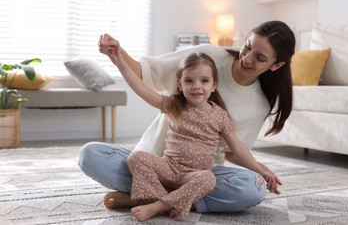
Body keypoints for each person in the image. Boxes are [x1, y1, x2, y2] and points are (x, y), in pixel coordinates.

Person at [78, 20, 295, 214]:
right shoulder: (202, 62)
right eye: (247, 46)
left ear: (276, 65)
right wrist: (118, 55)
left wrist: (262, 171)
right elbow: (145, 78)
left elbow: (235, 150)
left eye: (260, 58)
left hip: (199, 175)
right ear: (180, 84)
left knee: (253, 188)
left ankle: (151, 198)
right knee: (90, 154)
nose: (247, 58)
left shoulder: (246, 108)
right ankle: (176, 198)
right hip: (156, 163)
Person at [108, 51, 275, 221]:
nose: (196, 86)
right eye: (189, 81)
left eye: (204, 81)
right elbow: (141, 89)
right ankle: (165, 200)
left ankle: (158, 206)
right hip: (168, 167)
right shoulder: (174, 106)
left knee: (208, 178)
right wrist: (120, 62)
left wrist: (261, 170)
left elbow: (238, 148)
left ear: (214, 85)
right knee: (136, 157)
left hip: (194, 175)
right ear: (180, 85)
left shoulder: (220, 115)